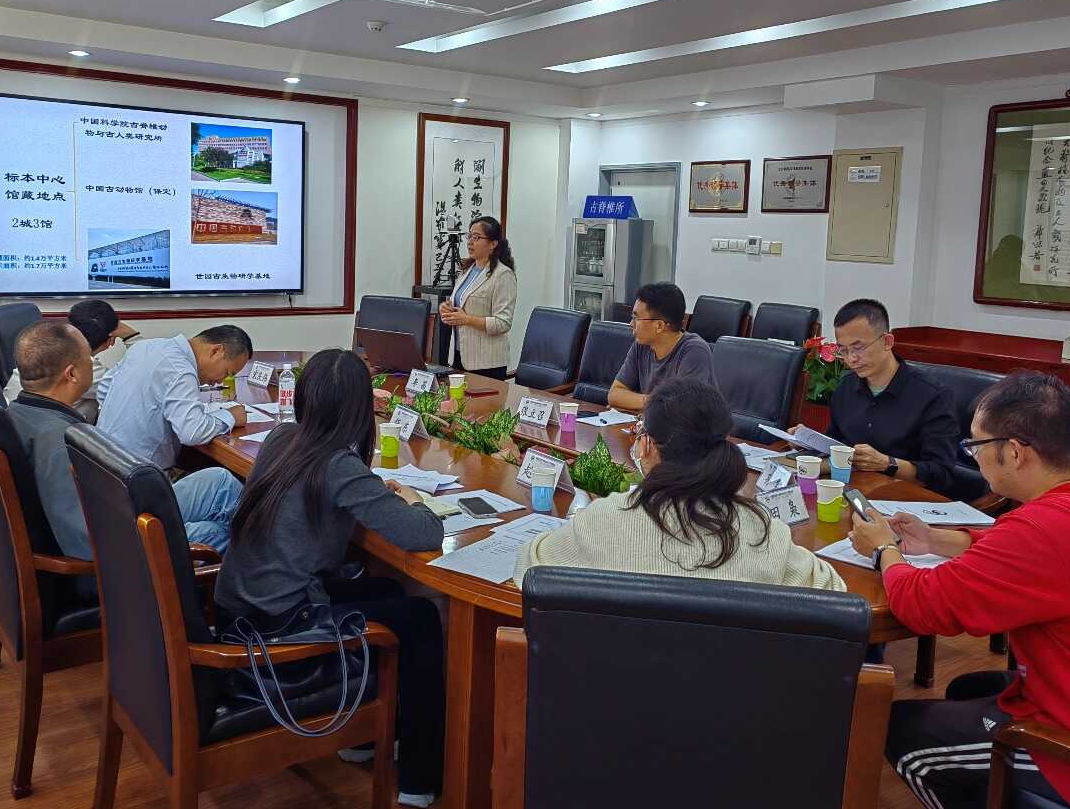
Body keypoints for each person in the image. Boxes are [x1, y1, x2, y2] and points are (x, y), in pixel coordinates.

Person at [850, 372, 1070, 809]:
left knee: (898, 727)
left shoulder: (1041, 531)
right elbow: (1033, 557)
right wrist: (937, 540)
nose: (971, 457)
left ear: (1013, 453)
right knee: (970, 688)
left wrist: (884, 550)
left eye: (975, 445)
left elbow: (924, 605)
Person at [215, 349, 446, 807]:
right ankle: (419, 777)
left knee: (387, 589)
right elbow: (424, 533)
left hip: (239, 611)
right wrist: (415, 499)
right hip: (280, 629)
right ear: (363, 409)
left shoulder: (284, 438)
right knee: (421, 615)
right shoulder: (339, 465)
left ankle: (364, 734)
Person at [514, 376, 845, 591]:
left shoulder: (604, 520)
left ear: (646, 446)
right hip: (730, 696)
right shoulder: (764, 533)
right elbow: (834, 591)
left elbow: (530, 567)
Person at [8, 321, 243, 556]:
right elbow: (89, 538)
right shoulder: (59, 440)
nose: (94, 364)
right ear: (72, 374)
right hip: (125, 541)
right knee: (219, 529)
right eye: (90, 360)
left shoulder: (21, 414)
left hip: (118, 501)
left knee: (221, 482)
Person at [804, 298, 961, 497]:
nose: (852, 358)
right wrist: (806, 444)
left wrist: (887, 463)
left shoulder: (933, 395)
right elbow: (836, 447)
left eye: (858, 348)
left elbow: (941, 474)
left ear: (887, 341)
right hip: (851, 493)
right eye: (843, 350)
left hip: (907, 502)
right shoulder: (845, 387)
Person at [97, 324, 252, 468]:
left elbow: (104, 389)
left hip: (104, 463)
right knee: (225, 481)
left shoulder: (145, 347)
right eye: (227, 373)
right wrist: (230, 416)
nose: (221, 382)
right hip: (140, 479)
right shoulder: (181, 369)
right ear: (216, 351)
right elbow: (192, 433)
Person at [2, 299, 140, 404]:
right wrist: (131, 335)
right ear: (110, 341)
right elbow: (138, 381)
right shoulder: (88, 371)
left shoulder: (45, 347)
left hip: (13, 421)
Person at [607, 282, 715, 412]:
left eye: (636, 318)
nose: (631, 324)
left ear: (659, 326)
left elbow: (682, 408)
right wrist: (655, 402)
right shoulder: (641, 345)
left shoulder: (694, 351)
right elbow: (614, 395)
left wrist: (636, 402)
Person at [439, 216, 517, 381]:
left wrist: (466, 319)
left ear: (493, 244)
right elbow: (461, 305)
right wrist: (446, 308)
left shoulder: (503, 275)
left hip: (486, 363)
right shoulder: (467, 270)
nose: (470, 242)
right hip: (458, 355)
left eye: (476, 237)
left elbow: (503, 323)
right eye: (469, 237)